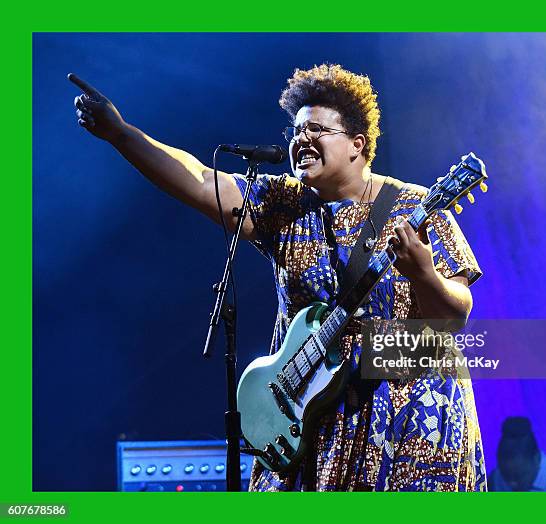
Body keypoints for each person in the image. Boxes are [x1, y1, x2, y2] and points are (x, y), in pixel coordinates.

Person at [68, 63, 486, 491]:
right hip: (304, 418)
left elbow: (454, 318)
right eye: (297, 131)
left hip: (406, 419)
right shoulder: (282, 204)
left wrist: (424, 275)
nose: (302, 138)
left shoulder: (416, 207)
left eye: (318, 130)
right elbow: (198, 180)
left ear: (357, 145)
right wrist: (121, 134)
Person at [488, 417, 546, 492]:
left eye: (519, 476)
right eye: (506, 476)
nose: (512, 484)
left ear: (537, 459)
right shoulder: (495, 479)